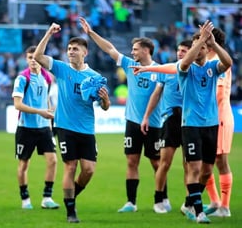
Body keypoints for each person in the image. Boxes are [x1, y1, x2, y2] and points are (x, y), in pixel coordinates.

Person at [79, 17, 165, 213]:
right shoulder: (129, 65)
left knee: (156, 162)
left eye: (135, 49)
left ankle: (161, 199)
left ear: (146, 50)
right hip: (133, 122)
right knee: (131, 161)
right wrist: (91, 33)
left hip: (154, 124)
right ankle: (131, 202)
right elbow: (109, 49)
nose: (132, 52)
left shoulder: (159, 70)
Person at [33, 23, 111, 223]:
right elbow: (38, 57)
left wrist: (105, 100)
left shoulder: (94, 77)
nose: (71, 52)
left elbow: (104, 107)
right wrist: (49, 33)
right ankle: (71, 212)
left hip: (86, 128)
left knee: (89, 170)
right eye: (69, 49)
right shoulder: (61, 68)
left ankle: (71, 196)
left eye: (75, 49)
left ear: (85, 52)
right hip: (65, 126)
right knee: (70, 167)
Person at [177, 21, 232, 223]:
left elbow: (228, 63)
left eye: (202, 47)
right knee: (195, 168)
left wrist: (213, 43)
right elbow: (184, 63)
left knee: (207, 171)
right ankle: (199, 212)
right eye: (196, 46)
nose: (199, 49)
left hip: (211, 124)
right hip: (191, 124)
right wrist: (200, 40)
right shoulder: (185, 68)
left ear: (206, 50)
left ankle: (189, 202)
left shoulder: (211, 67)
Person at [132, 40, 193, 213]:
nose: (180, 53)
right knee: (164, 163)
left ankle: (189, 202)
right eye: (179, 50)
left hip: (190, 120)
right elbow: (156, 94)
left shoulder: (194, 71)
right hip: (170, 119)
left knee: (189, 164)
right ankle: (158, 200)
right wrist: (146, 117)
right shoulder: (168, 70)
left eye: (184, 50)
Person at [12, 45, 59, 210]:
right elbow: (17, 105)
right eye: (30, 58)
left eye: (35, 57)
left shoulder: (46, 77)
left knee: (53, 161)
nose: (33, 61)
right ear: (26, 59)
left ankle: (47, 198)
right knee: (24, 165)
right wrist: (41, 112)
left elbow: (45, 98)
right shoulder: (22, 78)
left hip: (44, 127)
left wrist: (49, 111)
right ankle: (25, 199)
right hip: (26, 128)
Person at [201, 28, 234, 218]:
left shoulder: (218, 62)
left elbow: (220, 93)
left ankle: (225, 207)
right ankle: (215, 201)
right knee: (205, 161)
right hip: (206, 118)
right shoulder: (206, 61)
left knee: (221, 161)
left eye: (200, 38)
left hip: (219, 117)